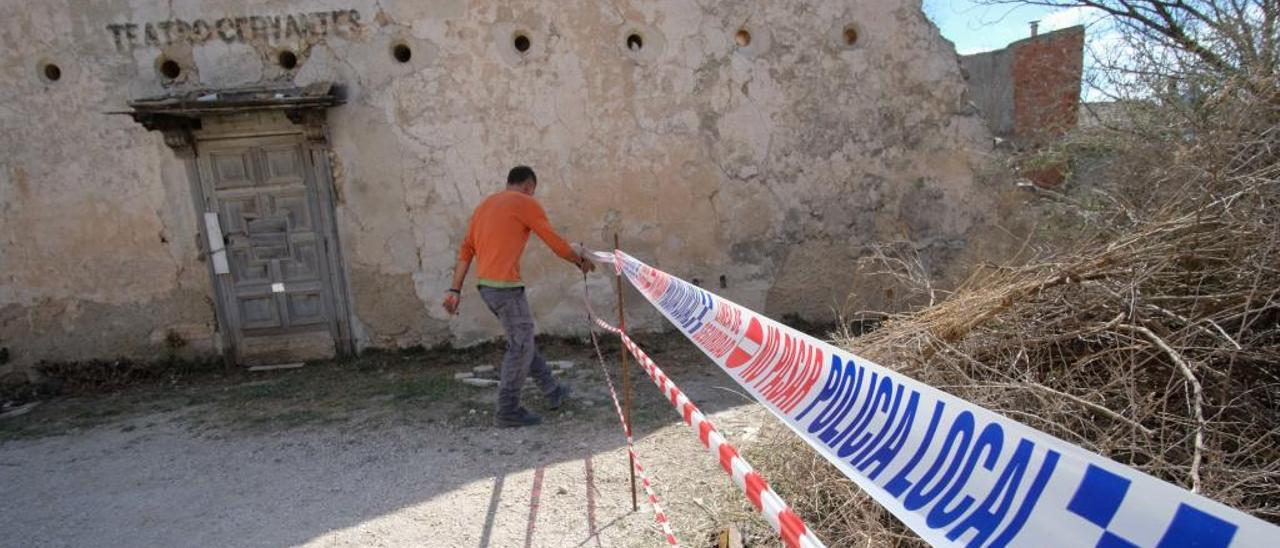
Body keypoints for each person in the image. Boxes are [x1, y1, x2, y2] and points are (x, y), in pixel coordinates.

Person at [443, 166, 596, 427]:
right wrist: (578, 260)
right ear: (528, 186)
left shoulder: (484, 206)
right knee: (521, 346)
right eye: (533, 191)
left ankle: (552, 390)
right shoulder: (524, 202)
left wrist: (454, 290)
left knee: (521, 340)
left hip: (487, 288)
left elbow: (466, 251)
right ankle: (507, 410)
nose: (532, 196)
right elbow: (554, 241)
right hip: (505, 287)